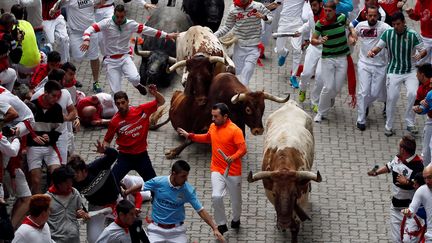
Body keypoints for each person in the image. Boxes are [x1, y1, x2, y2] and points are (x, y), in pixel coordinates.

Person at [177, 103, 247, 235]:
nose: (213, 119)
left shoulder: (235, 130)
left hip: (233, 172)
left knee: (236, 200)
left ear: (225, 116)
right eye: (212, 116)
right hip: (217, 169)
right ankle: (221, 224)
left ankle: (236, 219)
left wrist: (232, 158)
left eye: (216, 116)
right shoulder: (213, 126)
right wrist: (190, 136)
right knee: (216, 196)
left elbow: (243, 149)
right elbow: (208, 138)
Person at [81, 4, 178, 95]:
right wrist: (86, 39)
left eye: (121, 17)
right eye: (117, 16)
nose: (119, 19)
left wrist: (166, 35)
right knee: (116, 91)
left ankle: (137, 85)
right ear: (114, 14)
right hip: (111, 60)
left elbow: (147, 30)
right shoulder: (106, 23)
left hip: (125, 57)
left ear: (125, 15)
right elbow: (90, 29)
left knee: (135, 78)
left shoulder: (131, 24)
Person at [368, 11, 427, 136]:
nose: (395, 27)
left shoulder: (412, 34)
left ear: (404, 23)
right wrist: (372, 52)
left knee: (412, 94)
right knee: (392, 98)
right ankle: (389, 126)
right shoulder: (388, 34)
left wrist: (419, 54)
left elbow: (423, 50)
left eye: (398, 24)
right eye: (393, 24)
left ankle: (410, 123)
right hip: (394, 70)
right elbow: (378, 47)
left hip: (410, 70)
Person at [144, 160, 225, 242]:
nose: (186, 179)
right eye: (183, 176)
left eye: (187, 176)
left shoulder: (188, 190)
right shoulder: (158, 182)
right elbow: (141, 187)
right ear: (174, 173)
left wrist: (214, 228)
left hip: (177, 232)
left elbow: (201, 210)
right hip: (156, 230)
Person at [367, 135, 424, 243]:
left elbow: (422, 186)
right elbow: (389, 166)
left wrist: (407, 182)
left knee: (409, 240)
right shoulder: (398, 158)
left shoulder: (418, 166)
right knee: (396, 240)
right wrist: (376, 172)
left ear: (403, 149)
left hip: (410, 210)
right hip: (395, 208)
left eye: (399, 146)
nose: (398, 148)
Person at [103, 84, 164, 184]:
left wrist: (155, 94)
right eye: (118, 104)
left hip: (142, 156)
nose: (121, 106)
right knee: (111, 183)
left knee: (154, 185)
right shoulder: (115, 121)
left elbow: (162, 101)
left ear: (128, 101)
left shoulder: (141, 110)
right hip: (124, 157)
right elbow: (107, 140)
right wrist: (105, 154)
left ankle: (156, 199)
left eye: (123, 102)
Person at [311, 0, 357, 123]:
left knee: (336, 88)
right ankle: (321, 113)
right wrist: (320, 41)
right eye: (325, 10)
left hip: (342, 58)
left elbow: (350, 25)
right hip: (328, 59)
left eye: (329, 11)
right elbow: (313, 40)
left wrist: (352, 33)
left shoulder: (341, 18)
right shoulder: (320, 24)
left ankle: (329, 98)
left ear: (335, 11)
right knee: (328, 87)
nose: (327, 13)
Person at [68, 142, 119, 243]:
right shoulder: (73, 183)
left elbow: (114, 155)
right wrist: (82, 211)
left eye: (76, 174)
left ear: (84, 170)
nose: (74, 177)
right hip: (97, 208)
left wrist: (105, 151)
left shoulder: (98, 165)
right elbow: (75, 199)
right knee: (93, 240)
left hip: (116, 202)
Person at [214, 0, 273, 86]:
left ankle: (242, 92)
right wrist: (213, 35)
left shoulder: (258, 6)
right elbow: (227, 26)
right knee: (237, 74)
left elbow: (270, 19)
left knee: (246, 73)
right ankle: (239, 94)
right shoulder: (233, 9)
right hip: (239, 47)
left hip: (254, 48)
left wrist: (263, 17)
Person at [49, 0, 101, 93]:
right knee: (77, 57)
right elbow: (59, 4)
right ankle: (71, 78)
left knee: (94, 57)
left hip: (91, 30)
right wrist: (53, 9)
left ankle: (96, 82)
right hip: (76, 33)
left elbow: (100, 2)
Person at [354, 5, 391, 131]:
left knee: (374, 93)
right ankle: (361, 119)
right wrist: (352, 38)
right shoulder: (360, 26)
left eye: (375, 15)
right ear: (366, 15)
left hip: (380, 65)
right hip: (364, 63)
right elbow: (352, 32)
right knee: (363, 92)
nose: (372, 18)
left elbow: (395, 35)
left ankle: (365, 104)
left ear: (378, 16)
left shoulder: (385, 28)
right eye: (370, 15)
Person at [27, 80, 64, 194]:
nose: (56, 99)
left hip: (50, 147)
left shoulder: (57, 109)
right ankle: (37, 206)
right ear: (45, 93)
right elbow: (25, 129)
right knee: (36, 180)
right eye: (53, 96)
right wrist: (33, 138)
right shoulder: (31, 106)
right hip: (33, 147)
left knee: (57, 174)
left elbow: (58, 130)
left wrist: (51, 137)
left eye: (58, 96)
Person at [46, 165, 89, 243]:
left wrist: (81, 214)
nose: (70, 185)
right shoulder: (47, 199)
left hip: (74, 238)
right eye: (66, 183)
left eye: (71, 182)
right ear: (58, 183)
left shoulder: (75, 193)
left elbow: (79, 211)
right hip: (55, 240)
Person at [298, 0, 325, 111]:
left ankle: (315, 101)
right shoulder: (310, 14)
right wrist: (299, 31)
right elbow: (308, 25)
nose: (313, 8)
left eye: (315, 5)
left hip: (325, 51)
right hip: (313, 48)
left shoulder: (328, 15)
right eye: (311, 5)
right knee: (306, 73)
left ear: (321, 4)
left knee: (319, 77)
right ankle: (302, 89)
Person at [275, 0, 304, 88]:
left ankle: (293, 76)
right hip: (284, 21)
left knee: (297, 50)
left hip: (297, 23)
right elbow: (276, 4)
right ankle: (284, 53)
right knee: (279, 49)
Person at [11, 4, 42, 85]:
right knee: (45, 48)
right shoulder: (29, 24)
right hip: (37, 62)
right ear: (23, 14)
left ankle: (16, 81)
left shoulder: (11, 27)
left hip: (23, 66)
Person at [402, 165, 432, 242]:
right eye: (425, 178)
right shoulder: (422, 190)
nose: (427, 181)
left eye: (429, 177)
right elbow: (412, 210)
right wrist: (408, 212)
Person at [412, 64, 432, 166]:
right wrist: (418, 109)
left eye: (417, 73)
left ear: (422, 75)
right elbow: (418, 106)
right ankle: (426, 174)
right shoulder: (421, 89)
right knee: (426, 150)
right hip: (430, 120)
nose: (416, 76)